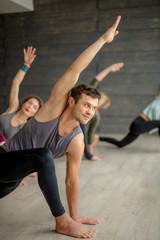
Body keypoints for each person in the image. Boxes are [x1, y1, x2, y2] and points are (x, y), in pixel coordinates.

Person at [0, 16, 121, 238]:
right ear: (72, 101)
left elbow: (71, 180)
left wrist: (75, 215)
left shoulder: (76, 141)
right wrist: (103, 40)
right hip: (2, 160)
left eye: (94, 108)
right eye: (86, 104)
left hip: (10, 181)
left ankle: (68, 219)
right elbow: (75, 70)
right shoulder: (54, 107)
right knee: (43, 155)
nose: (89, 111)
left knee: (42, 158)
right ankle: (61, 220)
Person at [0, 46, 43, 185]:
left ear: (35, 113)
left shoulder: (25, 128)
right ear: (24, 102)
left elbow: (17, 152)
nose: (30, 106)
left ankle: (14, 177)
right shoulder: (12, 107)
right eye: (29, 103)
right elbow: (16, 82)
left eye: (34, 107)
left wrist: (20, 173)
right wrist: (26, 65)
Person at [85, 62, 124, 155]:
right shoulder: (96, 115)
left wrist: (110, 68)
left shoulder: (88, 99)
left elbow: (96, 80)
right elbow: (90, 135)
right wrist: (90, 154)